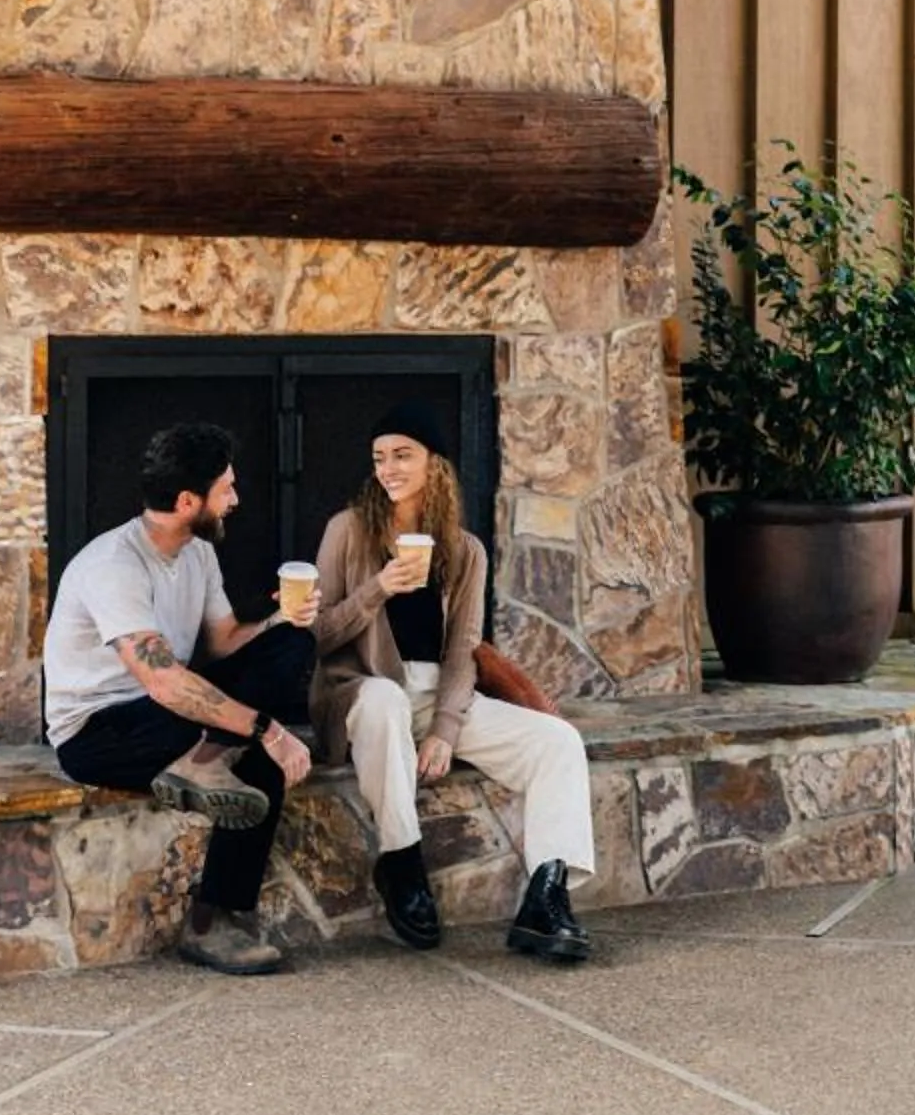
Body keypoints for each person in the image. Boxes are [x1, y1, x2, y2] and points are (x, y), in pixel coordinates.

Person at [309, 403, 596, 964]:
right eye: (379, 458)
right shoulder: (347, 530)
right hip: (360, 692)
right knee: (385, 701)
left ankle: (546, 897)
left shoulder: (464, 550)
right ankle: (402, 863)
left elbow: (463, 651)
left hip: (436, 695)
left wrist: (445, 728)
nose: (388, 469)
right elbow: (318, 635)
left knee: (557, 741)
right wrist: (379, 588)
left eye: (402, 456)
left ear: (433, 464)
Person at [44, 423, 317, 977]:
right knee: (258, 748)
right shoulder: (113, 565)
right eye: (227, 489)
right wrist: (267, 728)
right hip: (102, 730)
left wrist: (279, 620)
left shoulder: (197, 553)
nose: (235, 500)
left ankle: (212, 914)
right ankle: (209, 764)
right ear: (189, 501)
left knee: (291, 644)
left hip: (170, 715)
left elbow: (224, 643)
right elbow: (164, 682)